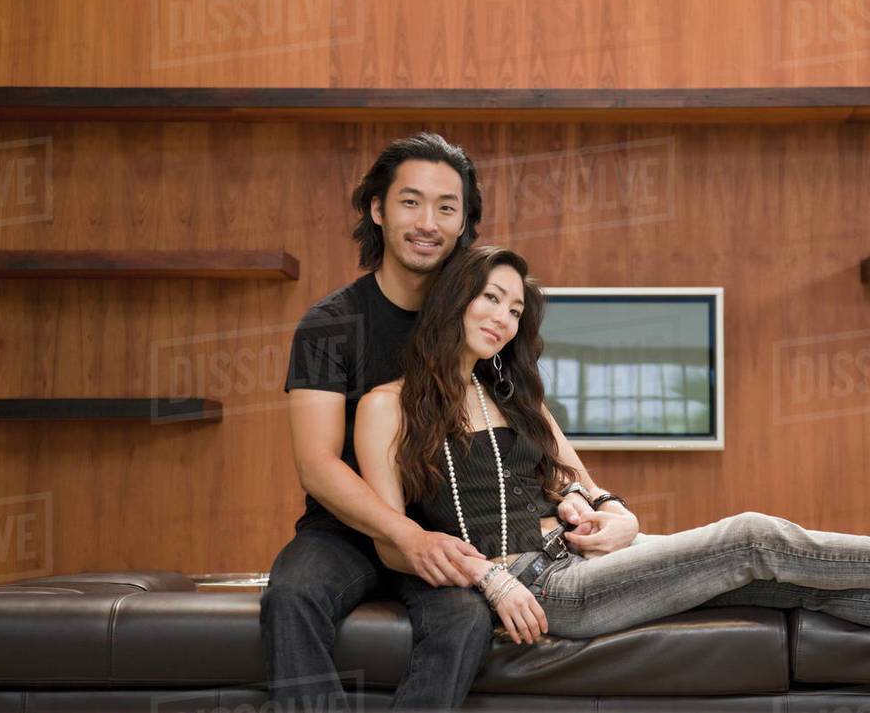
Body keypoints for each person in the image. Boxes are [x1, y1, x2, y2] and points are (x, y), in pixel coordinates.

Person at [353, 245, 870, 703]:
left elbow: (587, 486)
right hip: (540, 586)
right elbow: (394, 539)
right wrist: (490, 577)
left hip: (578, 558)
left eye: (515, 307)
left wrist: (613, 514)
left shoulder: (516, 399)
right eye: (490, 297)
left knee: (789, 579)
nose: (504, 317)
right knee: (753, 537)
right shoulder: (387, 406)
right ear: (454, 298)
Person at [260, 134, 642, 712]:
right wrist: (407, 537)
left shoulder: (482, 314)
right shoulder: (330, 325)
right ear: (377, 209)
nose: (428, 222)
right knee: (290, 596)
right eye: (411, 202)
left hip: (464, 529)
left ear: (465, 223)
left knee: (463, 620)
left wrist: (606, 505)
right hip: (352, 527)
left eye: (447, 207)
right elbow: (317, 465)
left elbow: (543, 439)